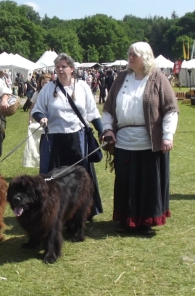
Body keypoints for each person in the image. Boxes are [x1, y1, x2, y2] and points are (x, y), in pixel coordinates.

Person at [102, 42, 178, 234]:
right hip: (124, 141)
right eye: (129, 54)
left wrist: (167, 135)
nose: (131, 57)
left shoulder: (158, 78)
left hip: (149, 142)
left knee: (147, 183)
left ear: (146, 56)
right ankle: (125, 219)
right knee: (124, 182)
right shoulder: (121, 78)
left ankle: (145, 221)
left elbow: (170, 109)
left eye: (135, 54)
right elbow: (109, 109)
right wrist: (108, 129)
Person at [32, 53, 103, 216]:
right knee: (54, 178)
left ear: (72, 68)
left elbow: (92, 112)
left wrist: (102, 130)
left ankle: (82, 211)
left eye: (64, 66)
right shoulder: (48, 88)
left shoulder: (83, 86)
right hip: (54, 140)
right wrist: (41, 118)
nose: (60, 69)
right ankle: (55, 211)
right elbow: (37, 110)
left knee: (80, 178)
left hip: (77, 138)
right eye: (57, 67)